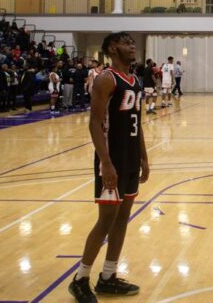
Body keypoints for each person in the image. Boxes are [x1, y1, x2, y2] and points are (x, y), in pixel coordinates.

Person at [68, 32, 149, 302]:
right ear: (113, 48)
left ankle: (108, 276)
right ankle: (80, 279)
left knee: (122, 219)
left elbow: (138, 123)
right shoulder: (106, 79)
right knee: (105, 221)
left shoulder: (135, 80)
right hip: (111, 160)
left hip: (130, 160)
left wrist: (144, 158)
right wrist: (105, 163)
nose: (132, 47)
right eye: (127, 43)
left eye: (132, 43)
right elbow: (94, 123)